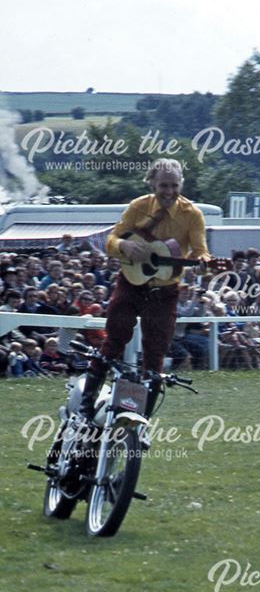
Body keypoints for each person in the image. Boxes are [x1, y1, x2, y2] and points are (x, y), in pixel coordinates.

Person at [79, 159, 210, 418]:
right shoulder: (137, 207)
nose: (169, 191)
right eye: (163, 185)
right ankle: (86, 402)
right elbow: (111, 239)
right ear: (152, 182)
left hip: (165, 292)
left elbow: (200, 249)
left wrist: (203, 261)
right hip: (130, 284)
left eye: (174, 185)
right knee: (114, 340)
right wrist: (123, 247)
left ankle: (141, 417)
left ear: (181, 184)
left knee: (155, 353)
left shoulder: (192, 214)